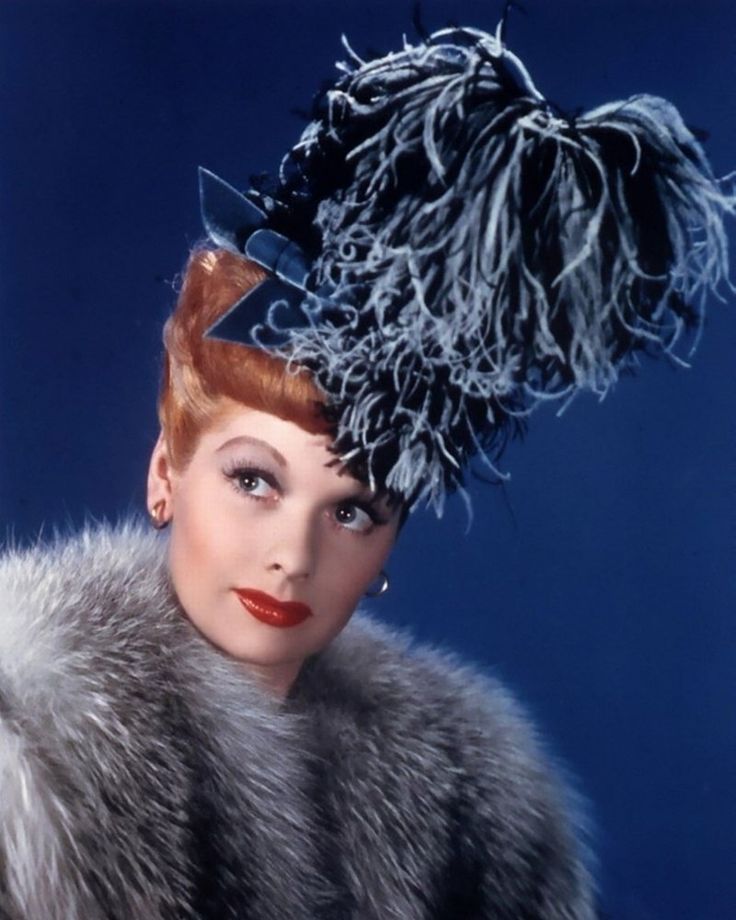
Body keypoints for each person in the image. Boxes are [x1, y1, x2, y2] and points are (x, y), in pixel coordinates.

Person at [0, 22, 731, 920]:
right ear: (165, 474)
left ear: (388, 546)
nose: (294, 555)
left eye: (352, 511)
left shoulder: (480, 806)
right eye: (254, 480)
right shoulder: (27, 743)